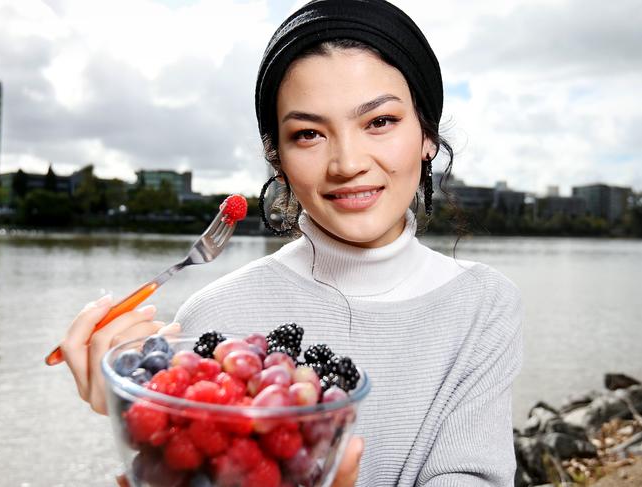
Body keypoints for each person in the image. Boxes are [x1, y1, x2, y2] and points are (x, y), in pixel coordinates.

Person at [60, 1, 524, 486]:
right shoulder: (215, 316)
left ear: (426, 133)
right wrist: (140, 414)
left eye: (380, 122)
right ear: (276, 156)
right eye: (308, 134)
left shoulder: (484, 304)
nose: (347, 162)